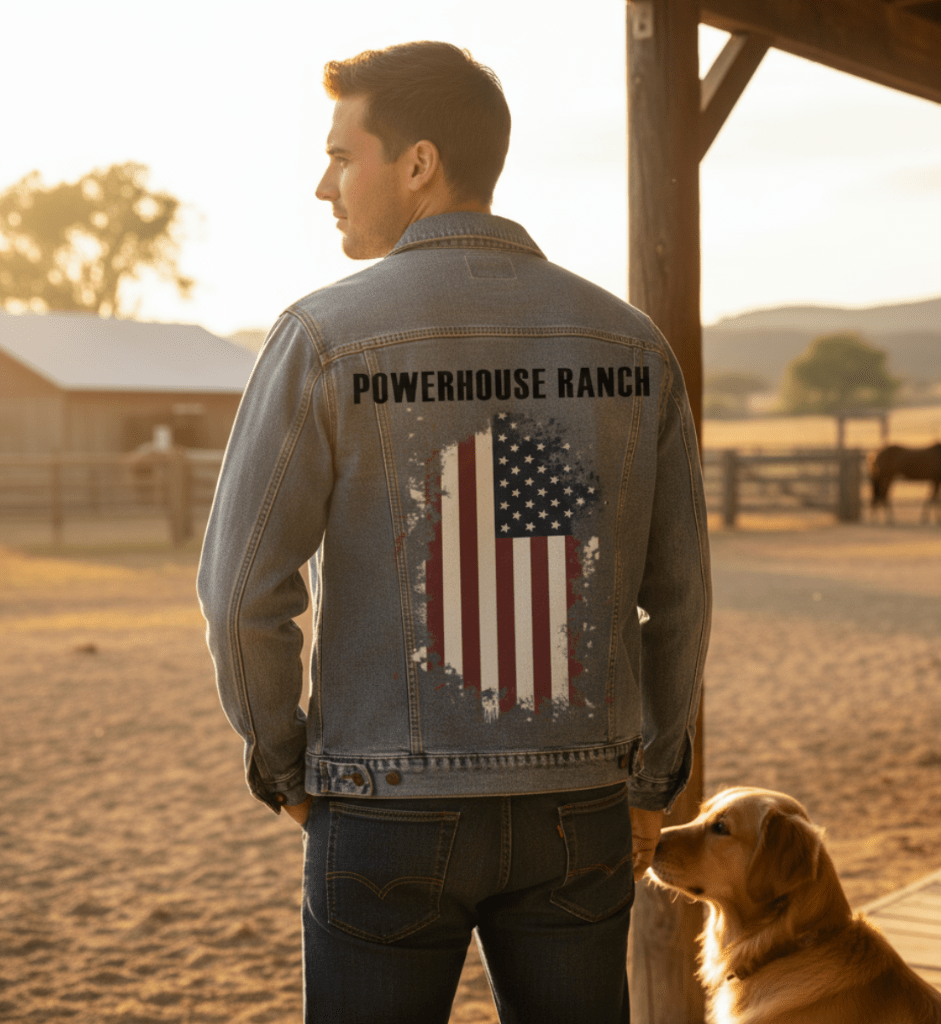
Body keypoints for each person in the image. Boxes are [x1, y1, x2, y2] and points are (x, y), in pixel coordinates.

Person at [197, 40, 710, 1024]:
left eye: (342, 154)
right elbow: (678, 594)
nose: (322, 184)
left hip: (382, 802)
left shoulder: (323, 334)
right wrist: (650, 777)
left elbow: (239, 592)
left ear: (418, 163)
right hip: (580, 802)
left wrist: (285, 769)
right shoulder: (630, 342)